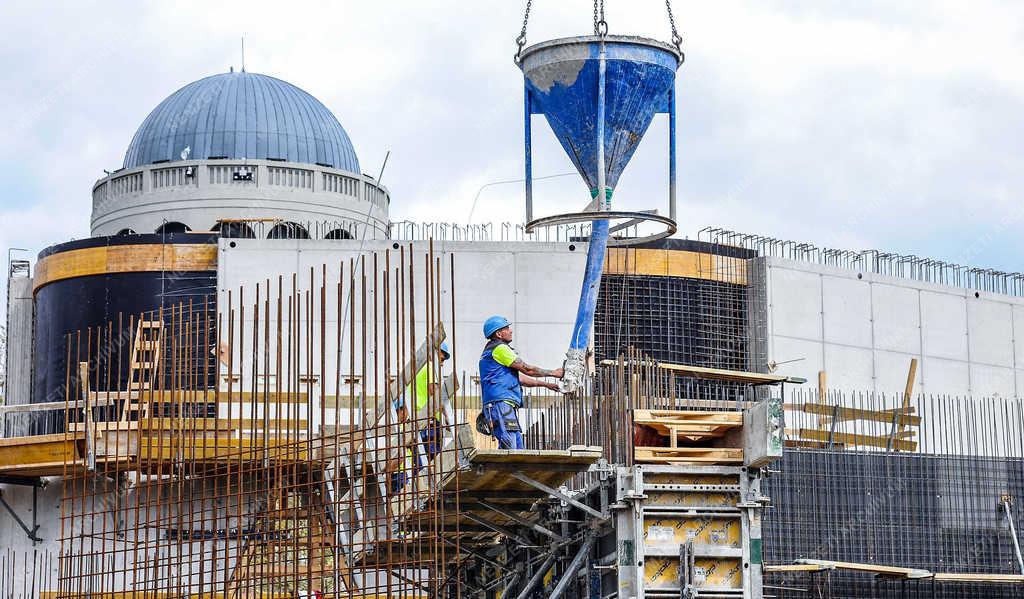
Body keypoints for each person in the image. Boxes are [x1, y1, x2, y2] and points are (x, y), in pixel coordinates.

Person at [478, 316, 563, 449]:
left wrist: (547, 384)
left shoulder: (493, 353)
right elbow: (527, 369)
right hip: (500, 404)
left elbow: (521, 378)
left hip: (504, 405)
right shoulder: (499, 349)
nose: (510, 331)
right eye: (506, 328)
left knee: (517, 446)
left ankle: (512, 470)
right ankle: (505, 470)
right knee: (510, 447)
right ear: (499, 334)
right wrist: (553, 373)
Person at [391, 340, 451, 492]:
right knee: (433, 461)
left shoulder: (415, 373)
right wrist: (448, 418)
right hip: (429, 422)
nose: (442, 364)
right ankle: (422, 490)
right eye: (442, 359)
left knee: (420, 463)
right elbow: (435, 392)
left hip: (418, 423)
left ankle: (418, 490)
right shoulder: (431, 367)